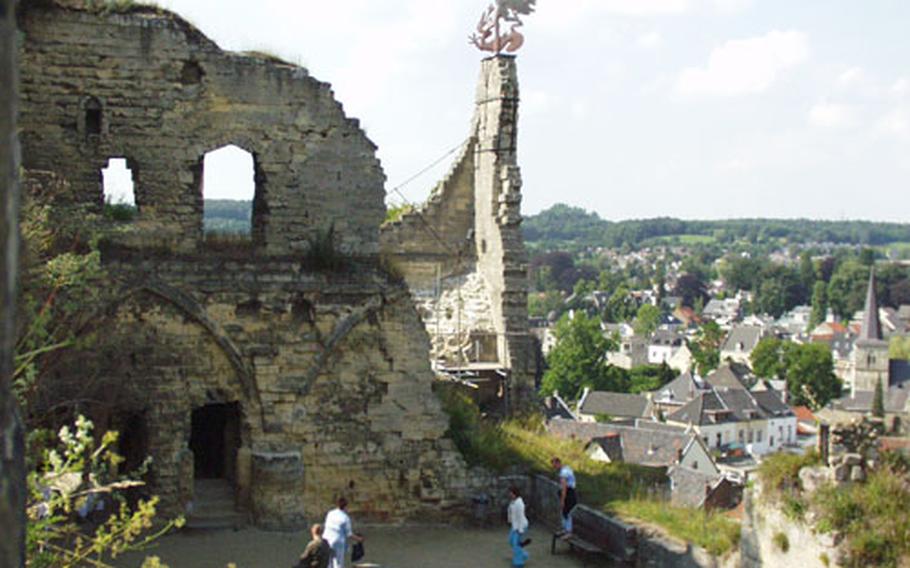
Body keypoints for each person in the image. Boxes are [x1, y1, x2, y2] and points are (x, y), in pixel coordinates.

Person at [322, 497, 363, 568]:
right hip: (338, 542)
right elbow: (349, 534)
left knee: (328, 563)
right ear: (346, 506)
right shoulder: (345, 518)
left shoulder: (330, 513)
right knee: (338, 563)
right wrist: (359, 539)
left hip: (326, 539)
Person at [551, 457, 577, 536]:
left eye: (554, 465)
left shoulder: (564, 473)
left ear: (558, 463)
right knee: (564, 512)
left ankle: (568, 532)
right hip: (570, 492)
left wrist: (562, 499)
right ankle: (565, 529)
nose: (554, 468)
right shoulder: (566, 469)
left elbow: (564, 487)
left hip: (569, 494)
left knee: (567, 512)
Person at [507, 486, 530, 568]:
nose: (510, 494)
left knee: (516, 544)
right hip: (514, 526)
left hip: (521, 526)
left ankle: (518, 563)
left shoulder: (519, 503)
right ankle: (523, 555)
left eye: (511, 493)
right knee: (510, 540)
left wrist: (520, 530)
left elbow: (520, 517)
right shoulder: (513, 501)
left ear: (515, 493)